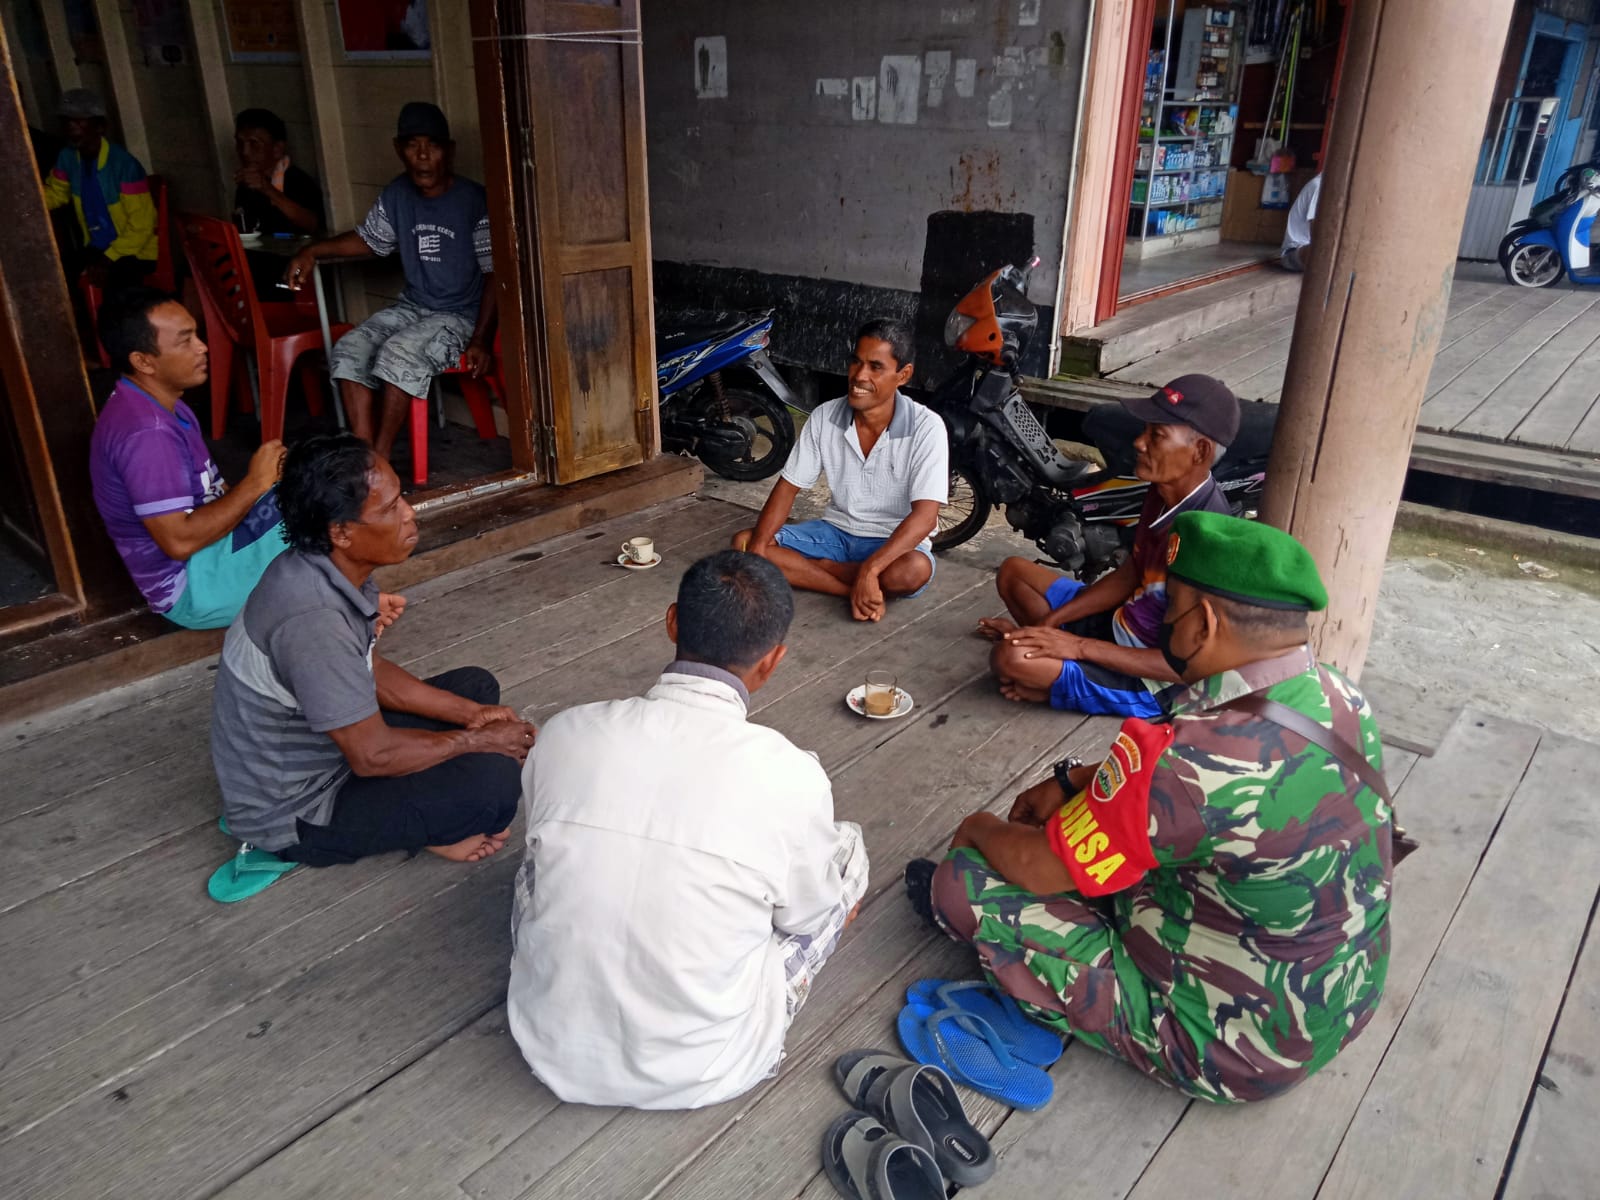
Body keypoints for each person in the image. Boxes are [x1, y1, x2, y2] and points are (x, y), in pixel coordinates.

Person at [910, 512, 1392, 1103]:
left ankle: (1063, 1004)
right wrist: (1074, 782)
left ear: (1204, 624)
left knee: (961, 884)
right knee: (1094, 856)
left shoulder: (1187, 762)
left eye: (1171, 607)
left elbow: (1040, 867)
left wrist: (976, 826)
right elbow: (1179, 805)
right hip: (1339, 1000)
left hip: (1230, 1047)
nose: (1161, 619)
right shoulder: (1342, 699)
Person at [508, 550, 869, 1109]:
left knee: (545, 857)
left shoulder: (565, 732)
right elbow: (802, 917)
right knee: (844, 852)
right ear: (773, 661)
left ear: (672, 622)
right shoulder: (793, 775)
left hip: (546, 1039)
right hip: (709, 1066)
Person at [210, 434, 533, 866]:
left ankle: (429, 813)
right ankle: (435, 828)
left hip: (330, 750)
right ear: (341, 531)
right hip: (298, 809)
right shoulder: (312, 620)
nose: (408, 514)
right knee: (493, 782)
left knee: (474, 689)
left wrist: (470, 716)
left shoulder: (321, 568)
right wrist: (476, 742)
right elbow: (372, 755)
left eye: (402, 499)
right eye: (390, 508)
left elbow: (367, 668)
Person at [982, 375, 1239, 718]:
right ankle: (1049, 663)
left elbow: (1183, 667)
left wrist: (1076, 647)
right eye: (1145, 431)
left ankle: (1051, 683)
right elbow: (1131, 573)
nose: (1139, 442)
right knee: (1014, 572)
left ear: (1200, 451)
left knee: (1008, 658)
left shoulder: (1209, 540)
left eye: (1156, 436)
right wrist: (1048, 627)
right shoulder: (1160, 493)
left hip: (1149, 680)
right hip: (1119, 624)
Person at [285, 101, 496, 463]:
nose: (423, 155)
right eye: (413, 145)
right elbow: (371, 240)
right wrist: (313, 251)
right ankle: (365, 457)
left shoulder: (473, 201)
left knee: (397, 353)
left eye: (433, 145)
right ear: (399, 150)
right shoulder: (398, 194)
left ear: (450, 150)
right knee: (349, 348)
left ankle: (380, 460)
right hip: (413, 307)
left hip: (459, 316)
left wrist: (480, 338)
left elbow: (496, 273)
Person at [89, 288, 290, 629]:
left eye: (196, 334)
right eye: (185, 341)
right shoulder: (147, 434)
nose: (203, 347)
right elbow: (179, 542)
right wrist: (257, 483)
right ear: (144, 361)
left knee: (317, 485)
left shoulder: (163, 402)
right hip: (193, 588)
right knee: (331, 515)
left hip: (210, 555)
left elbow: (211, 489)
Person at [733, 318, 946, 622]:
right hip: (834, 534)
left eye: (876, 367)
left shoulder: (927, 427)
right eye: (856, 362)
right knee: (744, 543)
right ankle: (854, 589)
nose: (859, 376)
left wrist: (872, 568)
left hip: (892, 542)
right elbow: (787, 488)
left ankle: (849, 575)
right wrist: (755, 556)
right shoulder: (825, 416)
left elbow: (925, 518)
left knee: (912, 572)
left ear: (903, 375)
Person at [44, 88, 158, 292]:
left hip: (135, 251)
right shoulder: (67, 158)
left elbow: (142, 226)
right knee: (56, 274)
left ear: (100, 126)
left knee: (118, 284)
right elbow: (55, 194)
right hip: (98, 246)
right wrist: (24, 203)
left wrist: (109, 257)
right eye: (66, 121)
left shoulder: (124, 165)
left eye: (79, 121)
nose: (71, 127)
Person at [232, 108, 324, 294]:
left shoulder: (297, 180)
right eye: (240, 143)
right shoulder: (246, 185)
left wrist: (267, 189)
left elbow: (312, 224)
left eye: (254, 144)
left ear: (277, 149)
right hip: (258, 264)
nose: (245, 152)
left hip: (288, 271)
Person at [1281, 173, 1322, 272]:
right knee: (1323, 250)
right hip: (1293, 252)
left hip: (1310, 251)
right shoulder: (1319, 185)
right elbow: (1316, 232)